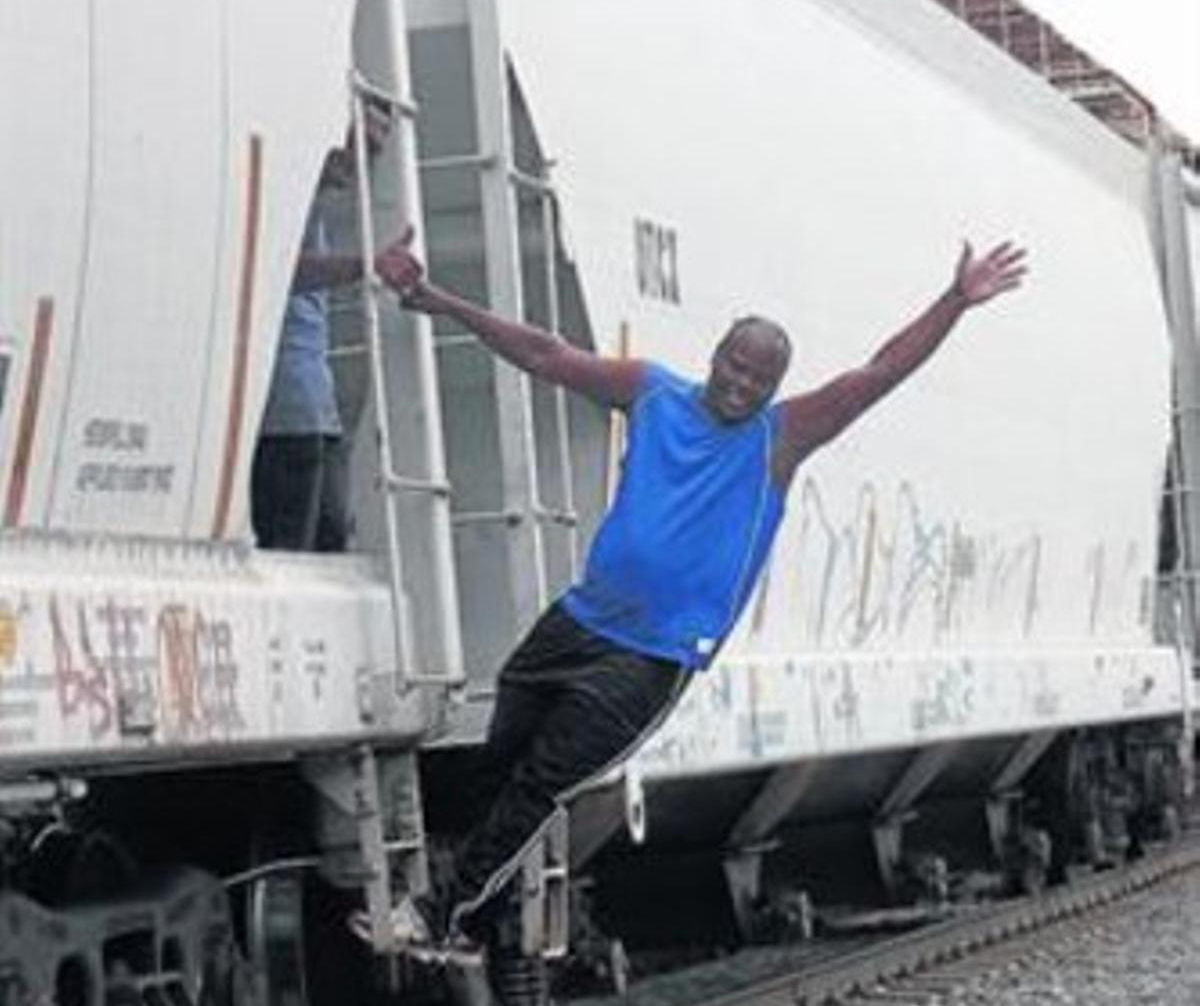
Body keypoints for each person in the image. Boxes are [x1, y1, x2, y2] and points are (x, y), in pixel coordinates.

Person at [372, 234, 1027, 954]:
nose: (739, 386)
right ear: (714, 354)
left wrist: (956, 299)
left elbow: (879, 372)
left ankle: (441, 916)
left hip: (652, 655)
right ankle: (482, 924)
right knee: (494, 767)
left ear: (777, 388)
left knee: (538, 781)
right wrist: (433, 298)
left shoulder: (780, 439)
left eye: (759, 380)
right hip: (579, 619)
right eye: (733, 366)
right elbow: (544, 355)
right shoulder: (653, 391)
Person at [251, 107, 402, 551]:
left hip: (313, 410)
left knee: (327, 546)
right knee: (296, 549)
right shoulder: (280, 195)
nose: (360, 162)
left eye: (372, 152)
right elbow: (277, 269)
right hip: (284, 412)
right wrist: (365, 266)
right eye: (357, 144)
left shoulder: (312, 207)